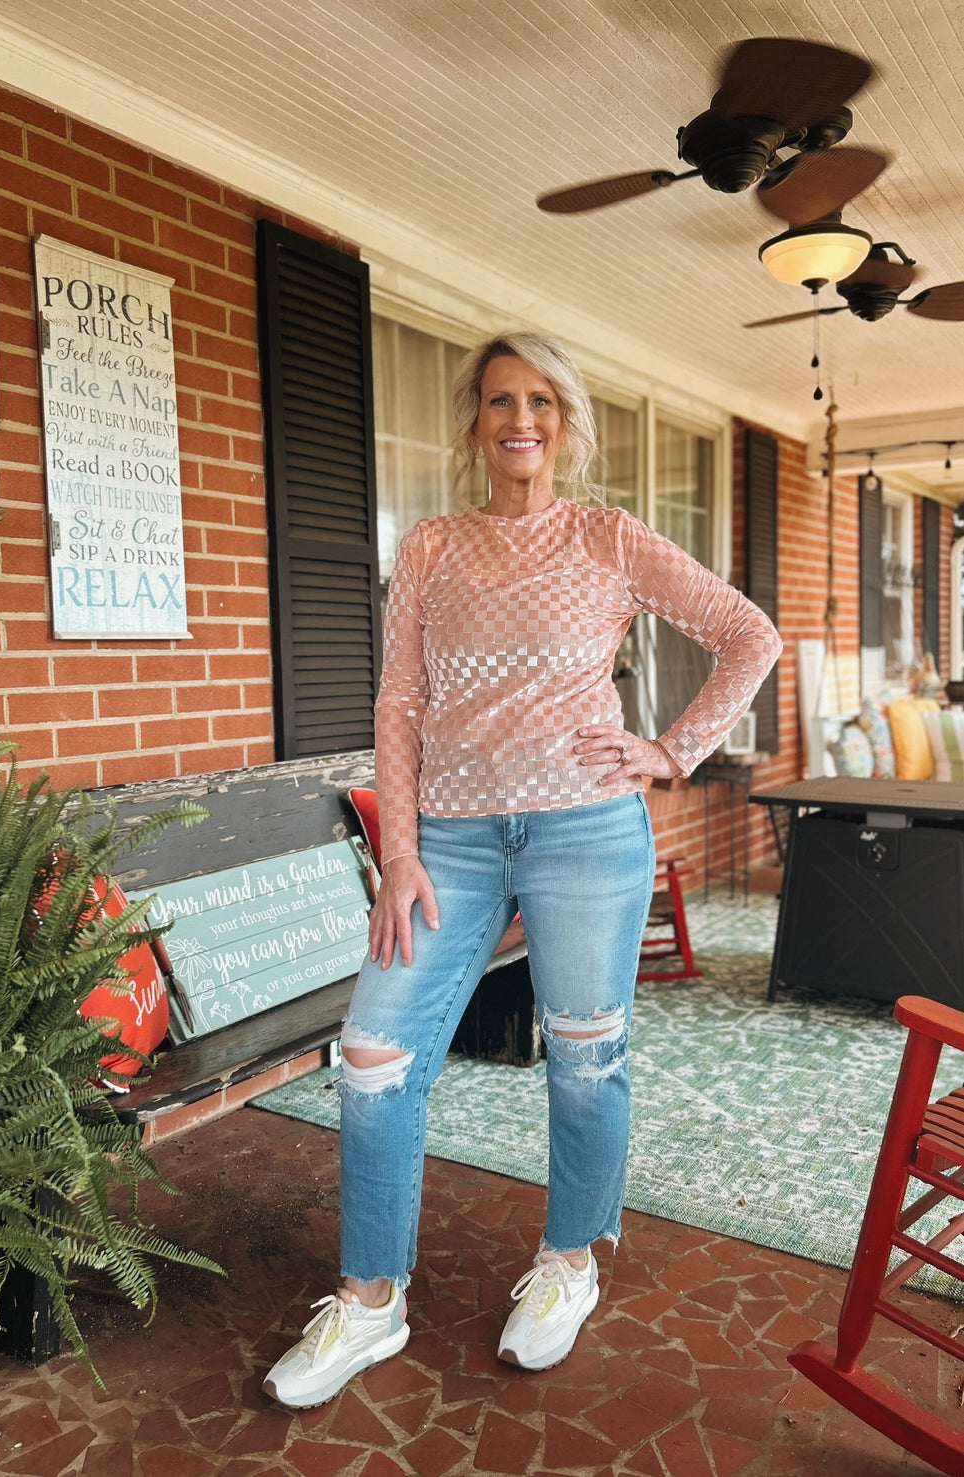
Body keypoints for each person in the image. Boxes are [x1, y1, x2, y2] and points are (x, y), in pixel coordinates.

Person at [263, 330, 782, 1408]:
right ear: (475, 423)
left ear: (566, 421)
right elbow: (398, 704)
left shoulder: (605, 536)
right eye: (500, 401)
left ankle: (568, 1263)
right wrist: (396, 852)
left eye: (541, 401)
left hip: (587, 831)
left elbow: (747, 634)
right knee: (370, 1056)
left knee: (586, 1059)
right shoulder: (435, 548)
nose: (519, 420)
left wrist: (668, 750)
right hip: (446, 838)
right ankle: (370, 1301)